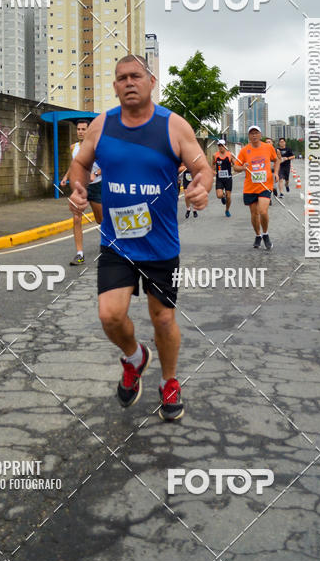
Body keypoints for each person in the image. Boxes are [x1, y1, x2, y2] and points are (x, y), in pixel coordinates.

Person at [68, 54, 214, 422]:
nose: (129, 82)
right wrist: (78, 186)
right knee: (109, 315)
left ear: (151, 82)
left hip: (161, 244)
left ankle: (169, 381)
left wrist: (201, 187)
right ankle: (135, 357)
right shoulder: (103, 124)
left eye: (136, 76)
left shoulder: (173, 126)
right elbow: (81, 163)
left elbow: (202, 168)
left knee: (163, 319)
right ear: (114, 86)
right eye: (121, 78)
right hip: (117, 242)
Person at [61, 120, 103, 265]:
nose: (80, 131)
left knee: (100, 220)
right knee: (77, 218)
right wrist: (66, 177)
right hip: (80, 187)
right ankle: (79, 254)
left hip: (96, 186)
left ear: (88, 130)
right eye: (78, 129)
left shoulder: (96, 146)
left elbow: (106, 164)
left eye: (83, 129)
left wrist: (95, 174)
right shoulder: (74, 147)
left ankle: (112, 245)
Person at [233, 125, 280, 250]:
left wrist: (275, 173)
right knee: (254, 214)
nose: (254, 135)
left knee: (263, 211)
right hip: (250, 187)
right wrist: (243, 167)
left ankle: (265, 234)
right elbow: (236, 167)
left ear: (260, 135)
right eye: (251, 133)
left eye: (256, 133)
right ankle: (257, 235)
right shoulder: (244, 151)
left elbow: (277, 160)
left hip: (265, 185)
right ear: (249, 136)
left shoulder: (268, 147)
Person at [214, 139, 233, 217]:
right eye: (219, 145)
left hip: (228, 178)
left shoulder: (230, 155)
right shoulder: (215, 155)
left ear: (225, 146)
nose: (221, 147)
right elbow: (212, 164)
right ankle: (223, 195)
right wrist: (213, 171)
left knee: (229, 197)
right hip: (219, 178)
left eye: (222, 145)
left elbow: (235, 164)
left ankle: (227, 210)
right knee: (219, 195)